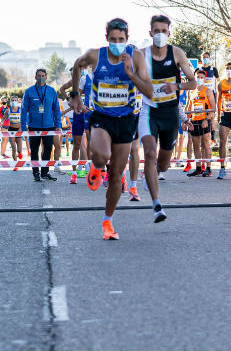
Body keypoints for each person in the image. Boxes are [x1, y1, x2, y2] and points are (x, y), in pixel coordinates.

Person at [69, 18, 153, 240]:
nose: (117, 43)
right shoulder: (96, 55)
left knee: (116, 175)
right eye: (113, 39)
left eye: (121, 39)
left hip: (126, 120)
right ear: (106, 38)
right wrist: (75, 95)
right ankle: (96, 166)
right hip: (102, 117)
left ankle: (108, 222)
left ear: (127, 38)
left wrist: (131, 73)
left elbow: (149, 91)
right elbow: (77, 65)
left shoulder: (136, 57)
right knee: (102, 155)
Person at [138, 15, 196, 221]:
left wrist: (176, 86)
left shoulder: (177, 53)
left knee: (163, 164)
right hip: (149, 111)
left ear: (169, 33)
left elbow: (193, 82)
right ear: (150, 33)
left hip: (170, 113)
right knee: (149, 153)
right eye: (157, 31)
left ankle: (155, 171)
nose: (160, 34)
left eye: (164, 31)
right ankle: (157, 205)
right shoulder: (141, 55)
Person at [21, 68, 61, 182]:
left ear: (46, 77)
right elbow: (23, 110)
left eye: (43, 76)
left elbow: (56, 109)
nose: (41, 78)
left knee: (48, 149)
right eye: (39, 75)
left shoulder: (52, 91)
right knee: (34, 150)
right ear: (35, 77)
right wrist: (23, 127)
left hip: (49, 126)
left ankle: (45, 172)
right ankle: (35, 173)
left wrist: (58, 124)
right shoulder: (29, 91)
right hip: (34, 126)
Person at [59, 66, 93, 183]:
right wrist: (68, 99)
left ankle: (89, 170)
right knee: (77, 144)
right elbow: (63, 90)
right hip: (78, 115)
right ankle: (74, 173)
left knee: (89, 144)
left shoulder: (88, 79)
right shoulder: (73, 82)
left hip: (88, 114)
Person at [184, 69, 217, 177]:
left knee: (206, 144)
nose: (199, 79)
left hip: (204, 120)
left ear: (205, 79)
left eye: (202, 77)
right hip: (194, 121)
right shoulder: (191, 91)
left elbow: (213, 108)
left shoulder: (208, 91)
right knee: (196, 145)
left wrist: (207, 119)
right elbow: (188, 108)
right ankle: (198, 168)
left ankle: (208, 168)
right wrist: (185, 121)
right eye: (198, 77)